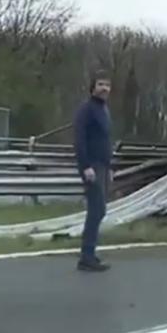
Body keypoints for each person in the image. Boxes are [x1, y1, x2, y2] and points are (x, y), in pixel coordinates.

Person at [74, 70, 114, 272]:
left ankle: (89, 254)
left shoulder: (104, 110)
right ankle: (86, 256)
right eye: (100, 84)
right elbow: (79, 140)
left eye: (107, 85)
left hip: (103, 166)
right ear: (93, 87)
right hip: (92, 166)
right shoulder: (86, 109)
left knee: (99, 211)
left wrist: (109, 168)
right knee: (96, 210)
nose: (104, 88)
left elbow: (105, 141)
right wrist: (85, 166)